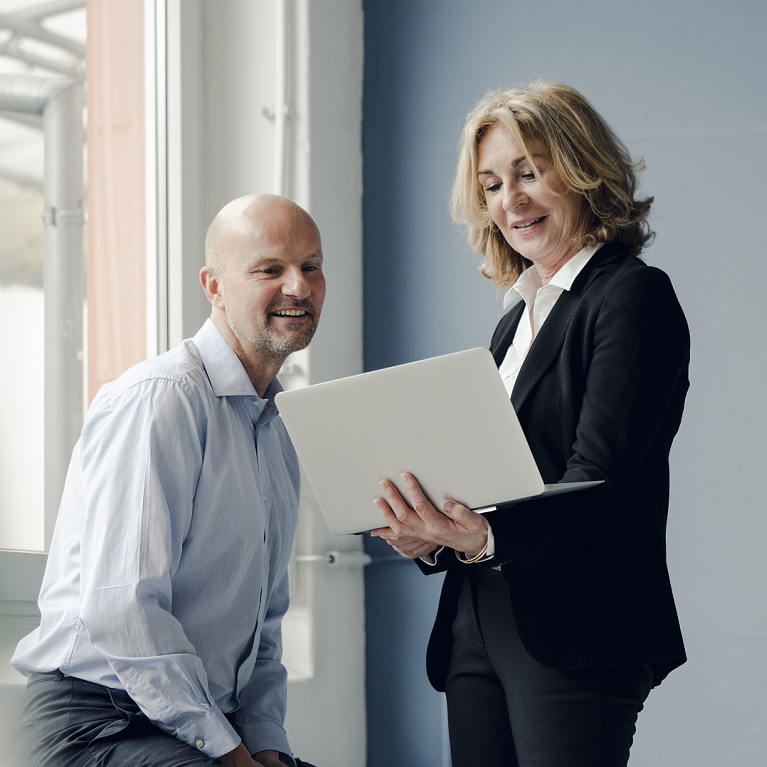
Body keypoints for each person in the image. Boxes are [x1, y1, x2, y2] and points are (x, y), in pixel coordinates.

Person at [371, 81, 690, 767]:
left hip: (575, 624)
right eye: (490, 184)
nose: (508, 200)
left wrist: (485, 534)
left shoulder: (631, 297)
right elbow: (494, 477)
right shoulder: (515, 319)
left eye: (528, 171)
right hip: (476, 620)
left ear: (581, 170)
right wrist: (431, 533)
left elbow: (598, 476)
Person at [11, 194, 325, 767]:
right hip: (94, 724)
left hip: (196, 723)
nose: (298, 287)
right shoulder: (160, 400)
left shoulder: (278, 430)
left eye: (310, 266)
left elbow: (264, 627)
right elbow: (121, 610)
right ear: (214, 286)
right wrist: (230, 754)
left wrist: (268, 746)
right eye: (269, 269)